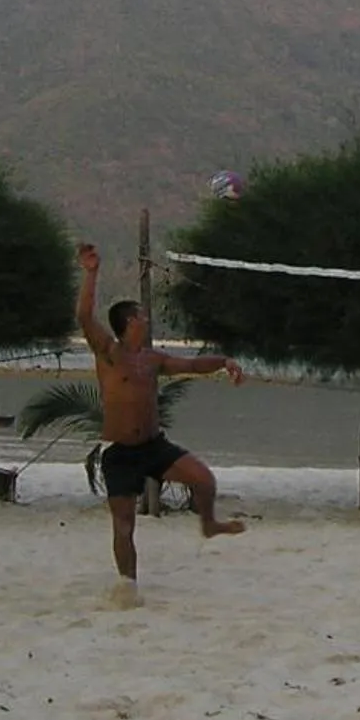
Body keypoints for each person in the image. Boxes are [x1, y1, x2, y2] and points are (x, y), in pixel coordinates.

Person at [75, 242, 247, 602]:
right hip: (119, 453)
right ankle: (128, 585)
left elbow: (190, 365)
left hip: (154, 446)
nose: (147, 320)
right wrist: (91, 273)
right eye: (142, 316)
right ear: (128, 323)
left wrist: (224, 361)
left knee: (204, 479)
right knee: (124, 526)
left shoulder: (152, 359)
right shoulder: (109, 352)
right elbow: (84, 317)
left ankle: (209, 524)